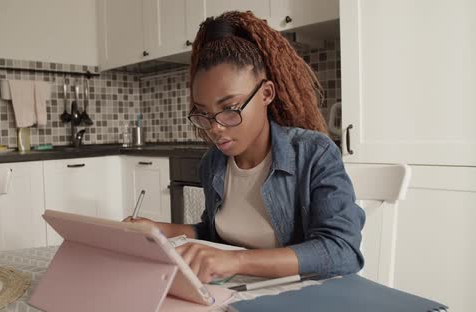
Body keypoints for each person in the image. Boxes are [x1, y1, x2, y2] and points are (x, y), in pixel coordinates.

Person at [125, 11, 365, 283]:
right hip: (233, 291)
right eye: (203, 113)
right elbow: (215, 234)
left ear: (266, 94)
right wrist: (156, 230)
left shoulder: (313, 153)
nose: (215, 127)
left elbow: (342, 250)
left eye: (229, 108)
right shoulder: (213, 163)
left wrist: (235, 261)